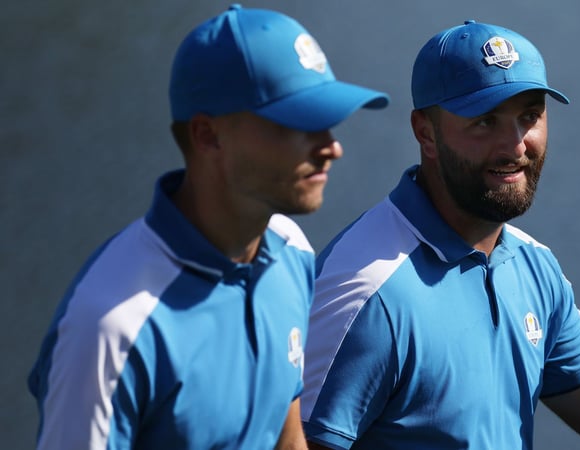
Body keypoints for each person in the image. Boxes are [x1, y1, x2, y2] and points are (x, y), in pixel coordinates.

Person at [300, 20, 580, 449]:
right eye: (484, 121)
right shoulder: (366, 291)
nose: (516, 145)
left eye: (529, 115)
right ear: (426, 132)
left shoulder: (529, 263)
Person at [27, 4, 388, 449]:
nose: (332, 147)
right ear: (207, 136)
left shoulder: (291, 252)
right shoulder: (111, 327)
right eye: (299, 122)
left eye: (328, 122)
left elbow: (286, 436)